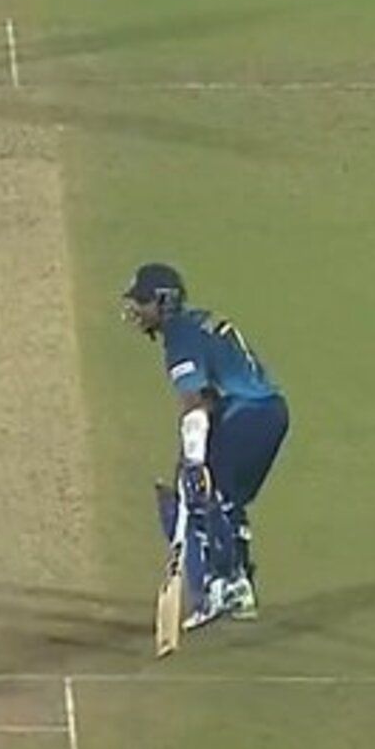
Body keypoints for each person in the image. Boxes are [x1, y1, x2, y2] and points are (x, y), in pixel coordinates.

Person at [121, 263, 289, 630]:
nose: (136, 310)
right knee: (224, 500)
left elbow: (196, 404)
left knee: (201, 493)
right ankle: (236, 586)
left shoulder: (179, 336)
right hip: (269, 413)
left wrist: (195, 460)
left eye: (142, 302)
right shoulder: (199, 322)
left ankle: (221, 585)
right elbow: (211, 398)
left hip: (248, 414)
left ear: (164, 302)